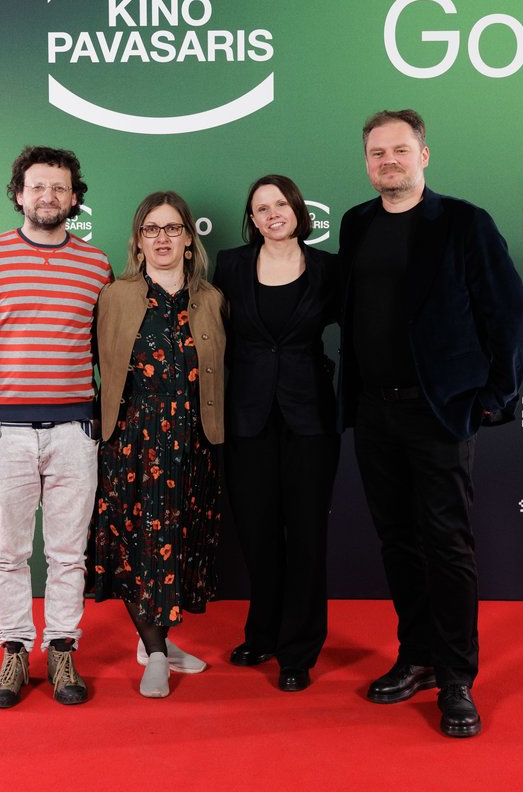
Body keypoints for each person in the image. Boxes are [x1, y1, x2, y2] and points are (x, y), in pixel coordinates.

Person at [338, 109, 523, 737]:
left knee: (447, 545)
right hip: (374, 410)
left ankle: (456, 678)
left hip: (440, 410)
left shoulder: (464, 222)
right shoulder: (357, 223)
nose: (387, 161)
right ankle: (417, 656)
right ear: (367, 163)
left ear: (424, 155)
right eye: (377, 153)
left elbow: (507, 314)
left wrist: (494, 396)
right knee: (397, 541)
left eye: (399, 150)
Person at [0, 146, 112, 708]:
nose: (48, 196)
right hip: (1, 433)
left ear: (74, 197)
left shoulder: (96, 265)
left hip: (74, 433)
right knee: (7, 553)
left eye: (59, 187)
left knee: (68, 554)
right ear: (19, 194)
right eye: (38, 186)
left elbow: (106, 353)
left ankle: (62, 648)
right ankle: (13, 651)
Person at [93, 191, 225, 698]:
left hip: (193, 441)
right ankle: (153, 653)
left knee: (177, 542)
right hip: (132, 441)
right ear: (138, 240)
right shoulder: (114, 295)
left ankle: (157, 643)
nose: (162, 238)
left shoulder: (212, 299)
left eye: (172, 228)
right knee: (137, 546)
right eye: (152, 229)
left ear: (189, 238)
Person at [214, 175, 340, 693]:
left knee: (306, 536)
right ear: (252, 218)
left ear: (298, 210)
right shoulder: (230, 265)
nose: (272, 214)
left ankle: (299, 650)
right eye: (261, 208)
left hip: (310, 419)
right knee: (258, 532)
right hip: (247, 418)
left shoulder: (329, 268)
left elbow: (361, 330)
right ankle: (262, 633)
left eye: (280, 204)